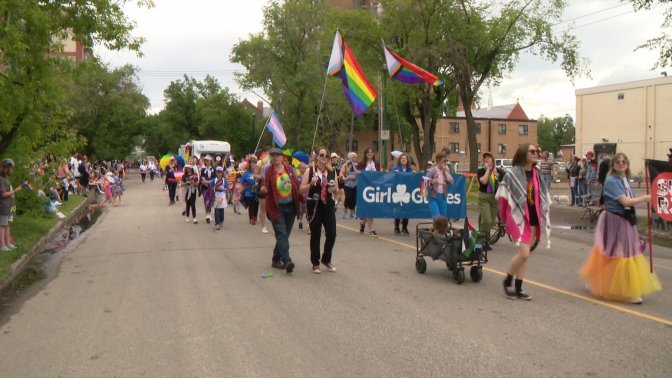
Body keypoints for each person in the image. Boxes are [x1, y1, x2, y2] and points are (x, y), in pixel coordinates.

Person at [579, 153, 661, 304]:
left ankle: (600, 282)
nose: (621, 163)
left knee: (623, 253)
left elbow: (629, 199)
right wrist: (644, 198)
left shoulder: (625, 180)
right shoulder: (611, 180)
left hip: (625, 219)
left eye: (624, 161)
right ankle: (623, 291)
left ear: (628, 164)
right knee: (616, 253)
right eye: (618, 161)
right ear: (613, 165)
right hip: (614, 220)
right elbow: (625, 201)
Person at [496, 143, 551, 300]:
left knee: (525, 256)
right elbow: (503, 198)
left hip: (533, 216)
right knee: (524, 253)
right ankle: (507, 281)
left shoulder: (537, 174)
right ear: (523, 153)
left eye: (537, 151)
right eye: (532, 151)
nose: (536, 153)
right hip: (517, 217)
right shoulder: (511, 174)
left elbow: (541, 195)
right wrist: (502, 218)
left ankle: (519, 288)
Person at [262, 148, 303, 274]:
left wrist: (302, 198)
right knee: (282, 235)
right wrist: (263, 190)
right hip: (276, 207)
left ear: (282, 157)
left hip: (290, 206)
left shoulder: (289, 169)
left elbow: (296, 185)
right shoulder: (268, 172)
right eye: (273, 156)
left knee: (284, 235)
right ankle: (287, 261)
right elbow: (264, 186)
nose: (276, 158)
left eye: (278, 155)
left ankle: (275, 259)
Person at [300, 146, 338, 274]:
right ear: (317, 156)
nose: (324, 158)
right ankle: (315, 262)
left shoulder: (332, 171)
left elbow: (337, 190)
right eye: (321, 155)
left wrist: (333, 191)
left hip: (328, 205)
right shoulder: (310, 170)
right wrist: (311, 184)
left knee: (332, 234)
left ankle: (326, 259)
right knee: (315, 235)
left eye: (326, 155)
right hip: (315, 206)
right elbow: (301, 189)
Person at [477, 152, 504, 251]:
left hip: (494, 198)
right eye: (485, 158)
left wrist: (496, 173)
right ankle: (479, 242)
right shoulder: (481, 170)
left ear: (492, 160)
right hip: (484, 197)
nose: (487, 159)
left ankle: (486, 242)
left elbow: (503, 180)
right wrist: (488, 169)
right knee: (486, 220)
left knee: (491, 222)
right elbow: (483, 181)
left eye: (489, 157)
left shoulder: (497, 171)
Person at [357, 147, 381, 236]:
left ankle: (363, 223)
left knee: (370, 208)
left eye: (371, 152)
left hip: (374, 188)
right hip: (364, 189)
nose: (370, 154)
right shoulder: (362, 163)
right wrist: (359, 173)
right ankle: (372, 229)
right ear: (365, 154)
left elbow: (379, 175)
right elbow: (356, 172)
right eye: (368, 152)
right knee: (369, 208)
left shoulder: (377, 163)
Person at [0, 159, 22, 251]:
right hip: (3, 207)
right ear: (7, 169)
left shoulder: (5, 180)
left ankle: (8, 243)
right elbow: (3, 194)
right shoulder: (1, 180)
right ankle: (2, 245)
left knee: (7, 224)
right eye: (11, 168)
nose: (12, 171)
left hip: (8, 207)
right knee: (2, 225)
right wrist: (15, 191)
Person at [425, 151, 454, 220]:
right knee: (437, 217)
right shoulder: (432, 171)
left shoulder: (446, 170)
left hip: (443, 197)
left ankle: (440, 230)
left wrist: (445, 172)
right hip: (433, 197)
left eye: (446, 161)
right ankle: (437, 229)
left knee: (443, 218)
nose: (445, 162)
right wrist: (432, 182)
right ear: (438, 160)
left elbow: (451, 181)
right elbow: (426, 185)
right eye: (444, 161)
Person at [390, 153, 413, 235]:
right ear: (399, 160)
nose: (404, 159)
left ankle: (404, 227)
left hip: (406, 191)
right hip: (397, 191)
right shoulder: (395, 168)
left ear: (407, 160)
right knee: (398, 208)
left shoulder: (409, 169)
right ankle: (396, 227)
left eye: (405, 158)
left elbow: (411, 177)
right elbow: (390, 177)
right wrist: (395, 173)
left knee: (406, 209)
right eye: (402, 158)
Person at [240, 157, 259, 225]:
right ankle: (251, 218)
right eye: (252, 163)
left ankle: (255, 217)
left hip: (256, 192)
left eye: (254, 163)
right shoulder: (246, 173)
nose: (253, 164)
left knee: (256, 205)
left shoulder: (258, 171)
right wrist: (241, 188)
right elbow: (241, 182)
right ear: (250, 164)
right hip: (248, 192)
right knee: (251, 205)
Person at [339, 152, 358, 220]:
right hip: (348, 184)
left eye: (356, 157)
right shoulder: (346, 164)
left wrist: (357, 175)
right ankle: (345, 211)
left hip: (355, 184)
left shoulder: (357, 165)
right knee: (348, 197)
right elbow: (341, 173)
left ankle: (352, 213)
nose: (355, 158)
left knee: (354, 199)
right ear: (350, 158)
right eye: (354, 157)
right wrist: (344, 178)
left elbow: (360, 172)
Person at [254, 154, 269, 234]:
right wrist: (261, 177)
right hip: (263, 186)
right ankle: (263, 226)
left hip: (272, 187)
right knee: (263, 207)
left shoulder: (277, 163)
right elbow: (254, 175)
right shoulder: (260, 163)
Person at [200, 155, 215, 224]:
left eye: (207, 160)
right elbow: (201, 177)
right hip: (205, 187)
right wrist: (204, 181)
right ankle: (207, 215)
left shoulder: (214, 169)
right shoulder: (203, 169)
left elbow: (215, 178)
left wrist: (208, 182)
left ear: (210, 161)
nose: (206, 161)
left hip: (212, 187)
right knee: (206, 200)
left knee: (210, 200)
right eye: (205, 160)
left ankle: (208, 213)